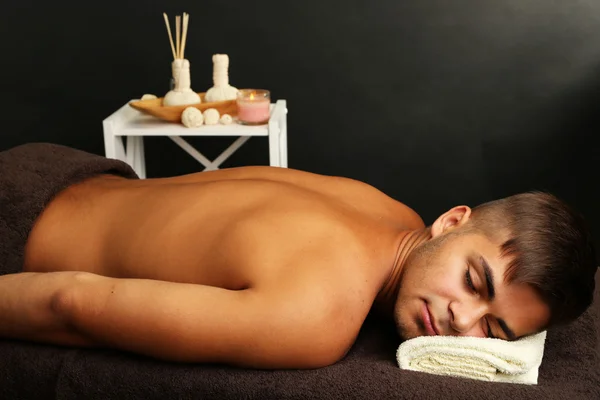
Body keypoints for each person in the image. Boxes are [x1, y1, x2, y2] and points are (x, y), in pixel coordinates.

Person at [0, 157, 597, 369]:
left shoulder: (385, 207)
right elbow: (70, 304)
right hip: (18, 225)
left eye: (492, 330)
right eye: (473, 281)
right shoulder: (316, 318)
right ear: (450, 222)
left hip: (65, 170)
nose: (460, 322)